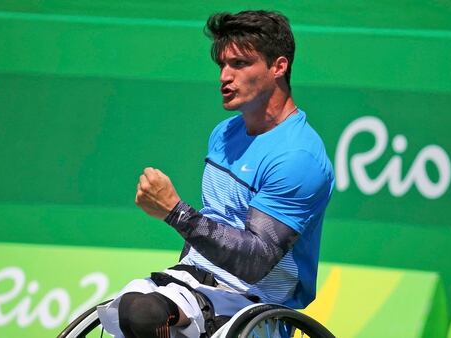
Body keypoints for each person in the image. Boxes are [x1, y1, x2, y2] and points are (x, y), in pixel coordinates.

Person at [97, 10, 334, 338]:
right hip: (194, 288)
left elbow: (256, 262)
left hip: (254, 306)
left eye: (239, 64)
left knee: (145, 315)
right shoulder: (224, 134)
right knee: (137, 311)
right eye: (222, 65)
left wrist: (176, 213)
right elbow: (214, 221)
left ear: (279, 67)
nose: (225, 76)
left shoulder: (298, 157)